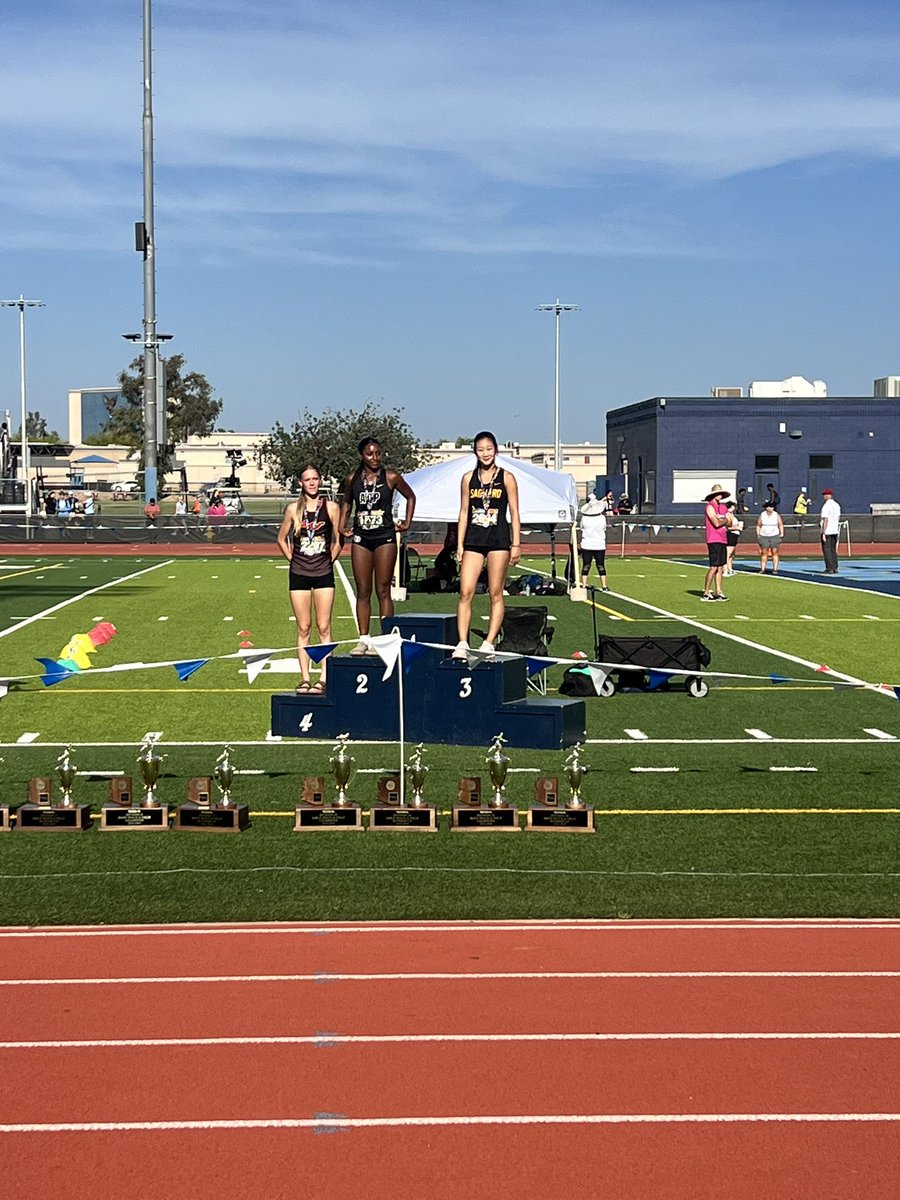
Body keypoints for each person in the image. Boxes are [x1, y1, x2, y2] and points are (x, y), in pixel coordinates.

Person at [339, 437, 416, 655]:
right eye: (370, 454)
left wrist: (407, 522)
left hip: (385, 536)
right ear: (361, 456)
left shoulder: (391, 477)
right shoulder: (352, 479)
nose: (375, 458)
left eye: (378, 453)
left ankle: (384, 639)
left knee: (383, 589)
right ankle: (363, 639)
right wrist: (342, 525)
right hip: (362, 537)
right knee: (363, 590)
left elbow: (411, 496)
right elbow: (347, 502)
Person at [453, 431, 521, 658]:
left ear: (496, 450)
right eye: (480, 449)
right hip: (474, 540)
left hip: (498, 541)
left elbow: (514, 511)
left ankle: (489, 642)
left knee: (495, 592)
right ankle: (462, 642)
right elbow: (463, 512)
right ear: (475, 451)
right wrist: (460, 544)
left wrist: (516, 544)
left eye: (489, 449)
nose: (485, 453)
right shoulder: (467, 478)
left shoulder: (507, 477)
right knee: (465, 591)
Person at [277, 465, 342, 693]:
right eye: (307, 480)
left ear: (320, 481)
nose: (312, 483)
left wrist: (329, 560)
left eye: (315, 479)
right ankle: (305, 678)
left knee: (323, 626)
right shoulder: (293, 509)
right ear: (300, 483)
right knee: (303, 627)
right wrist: (292, 560)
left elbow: (339, 540)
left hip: (323, 573)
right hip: (299, 574)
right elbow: (281, 538)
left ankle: (325, 676)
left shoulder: (332, 507)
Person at [701, 484, 731, 602]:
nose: (720, 496)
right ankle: (706, 592)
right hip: (714, 539)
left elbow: (730, 521)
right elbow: (716, 523)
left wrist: (723, 520)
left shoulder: (723, 507)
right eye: (718, 493)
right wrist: (724, 520)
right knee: (713, 567)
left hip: (723, 538)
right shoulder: (710, 507)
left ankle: (719, 591)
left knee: (720, 568)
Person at [578, 493, 609, 591]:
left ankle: (584, 584)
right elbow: (604, 529)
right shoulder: (602, 518)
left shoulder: (584, 518)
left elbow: (582, 528)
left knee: (586, 565)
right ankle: (604, 586)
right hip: (599, 544)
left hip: (587, 544)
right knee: (600, 565)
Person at [756, 498, 784, 573]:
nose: (771, 508)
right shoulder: (762, 515)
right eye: (770, 507)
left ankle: (775, 569)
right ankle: (762, 569)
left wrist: (781, 534)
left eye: (772, 507)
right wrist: (758, 534)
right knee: (764, 552)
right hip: (764, 535)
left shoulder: (776, 515)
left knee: (774, 552)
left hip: (774, 535)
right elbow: (758, 525)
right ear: (766, 508)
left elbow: (780, 524)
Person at [820, 487, 841, 574]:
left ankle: (829, 567)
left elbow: (826, 519)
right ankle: (835, 567)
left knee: (827, 550)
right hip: (835, 530)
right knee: (833, 549)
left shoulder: (826, 506)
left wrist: (824, 532)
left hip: (828, 531)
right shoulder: (837, 505)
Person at [724, 500, 743, 576]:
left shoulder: (732, 515)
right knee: (728, 553)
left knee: (731, 554)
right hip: (731, 534)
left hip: (735, 534)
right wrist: (737, 527)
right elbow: (727, 527)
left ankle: (730, 569)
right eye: (733, 506)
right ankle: (725, 570)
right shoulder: (727, 515)